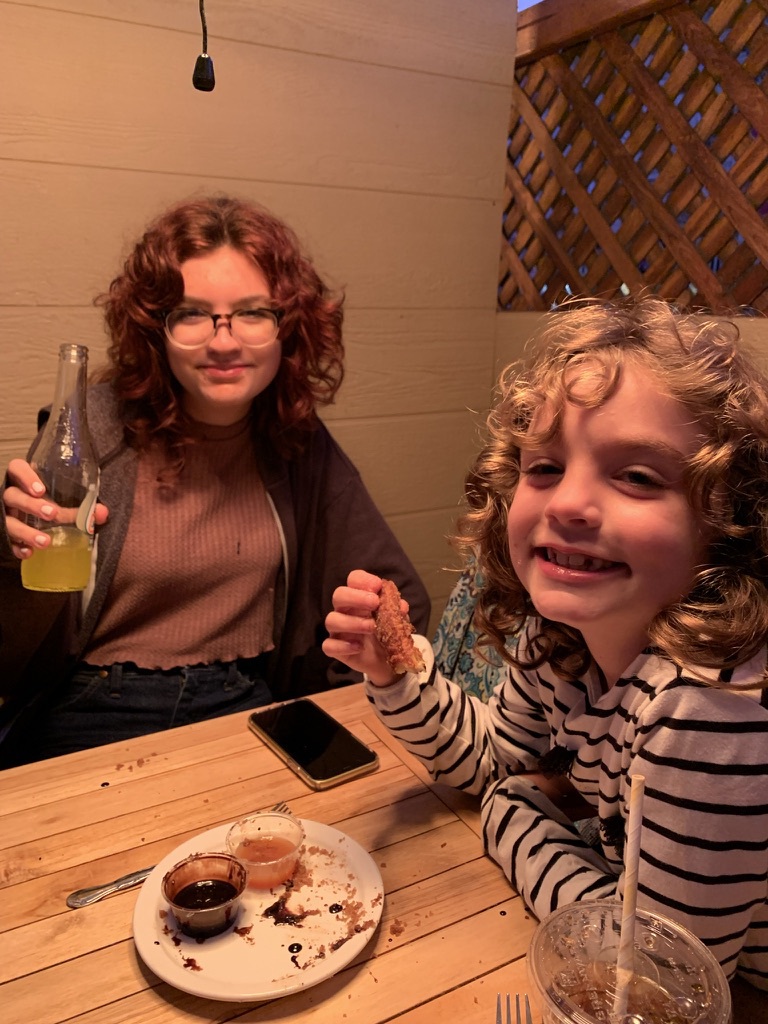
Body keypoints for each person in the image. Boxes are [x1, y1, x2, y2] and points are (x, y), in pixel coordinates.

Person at [322, 297, 768, 992]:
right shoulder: (558, 636)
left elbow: (658, 975)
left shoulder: (712, 707)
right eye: (545, 468)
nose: (565, 504)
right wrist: (395, 678)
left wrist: (512, 816)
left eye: (637, 476)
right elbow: (493, 758)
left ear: (729, 520)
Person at [0, 194, 429, 764]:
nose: (224, 342)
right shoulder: (91, 428)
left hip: (244, 701)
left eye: (252, 313)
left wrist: (351, 692)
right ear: (156, 329)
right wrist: (8, 551)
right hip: (94, 705)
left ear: (286, 327)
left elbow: (396, 595)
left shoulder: (296, 442)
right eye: (192, 314)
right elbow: (15, 632)